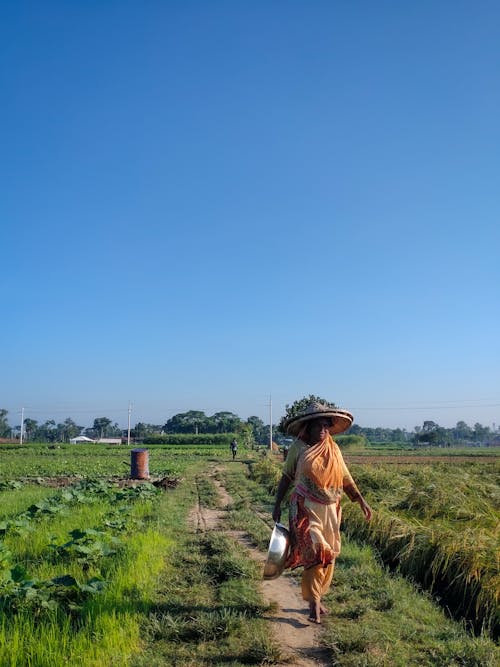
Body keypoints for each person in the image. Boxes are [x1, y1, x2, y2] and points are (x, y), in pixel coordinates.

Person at [272, 401, 372, 624]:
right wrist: (277, 504)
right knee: (316, 551)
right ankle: (314, 602)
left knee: (329, 556)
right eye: (318, 426)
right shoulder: (298, 448)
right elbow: (287, 476)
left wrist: (361, 500)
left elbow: (345, 478)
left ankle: (316, 595)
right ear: (307, 427)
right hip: (305, 508)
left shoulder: (333, 449)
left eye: (326, 426)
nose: (323, 431)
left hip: (331, 509)